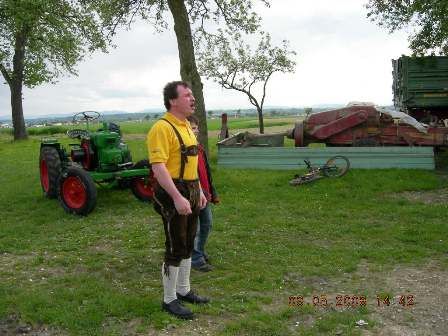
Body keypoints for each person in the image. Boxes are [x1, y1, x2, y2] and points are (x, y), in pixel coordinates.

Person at [147, 81, 209, 320]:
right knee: (175, 246)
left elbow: (193, 164)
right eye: (187, 95)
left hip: (192, 189)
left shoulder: (185, 126)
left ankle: (183, 290)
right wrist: (176, 196)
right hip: (174, 190)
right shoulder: (161, 128)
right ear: (173, 100)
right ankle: (169, 299)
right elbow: (158, 167)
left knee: (188, 241)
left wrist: (200, 191)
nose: (193, 99)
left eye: (192, 95)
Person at [187, 115, 219, 272]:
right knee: (195, 227)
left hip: (204, 193)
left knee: (206, 224)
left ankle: (198, 251)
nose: (196, 130)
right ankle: (195, 257)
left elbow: (205, 172)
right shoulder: (186, 151)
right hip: (192, 195)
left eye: (196, 127)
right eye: (193, 128)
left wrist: (211, 191)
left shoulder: (199, 148)